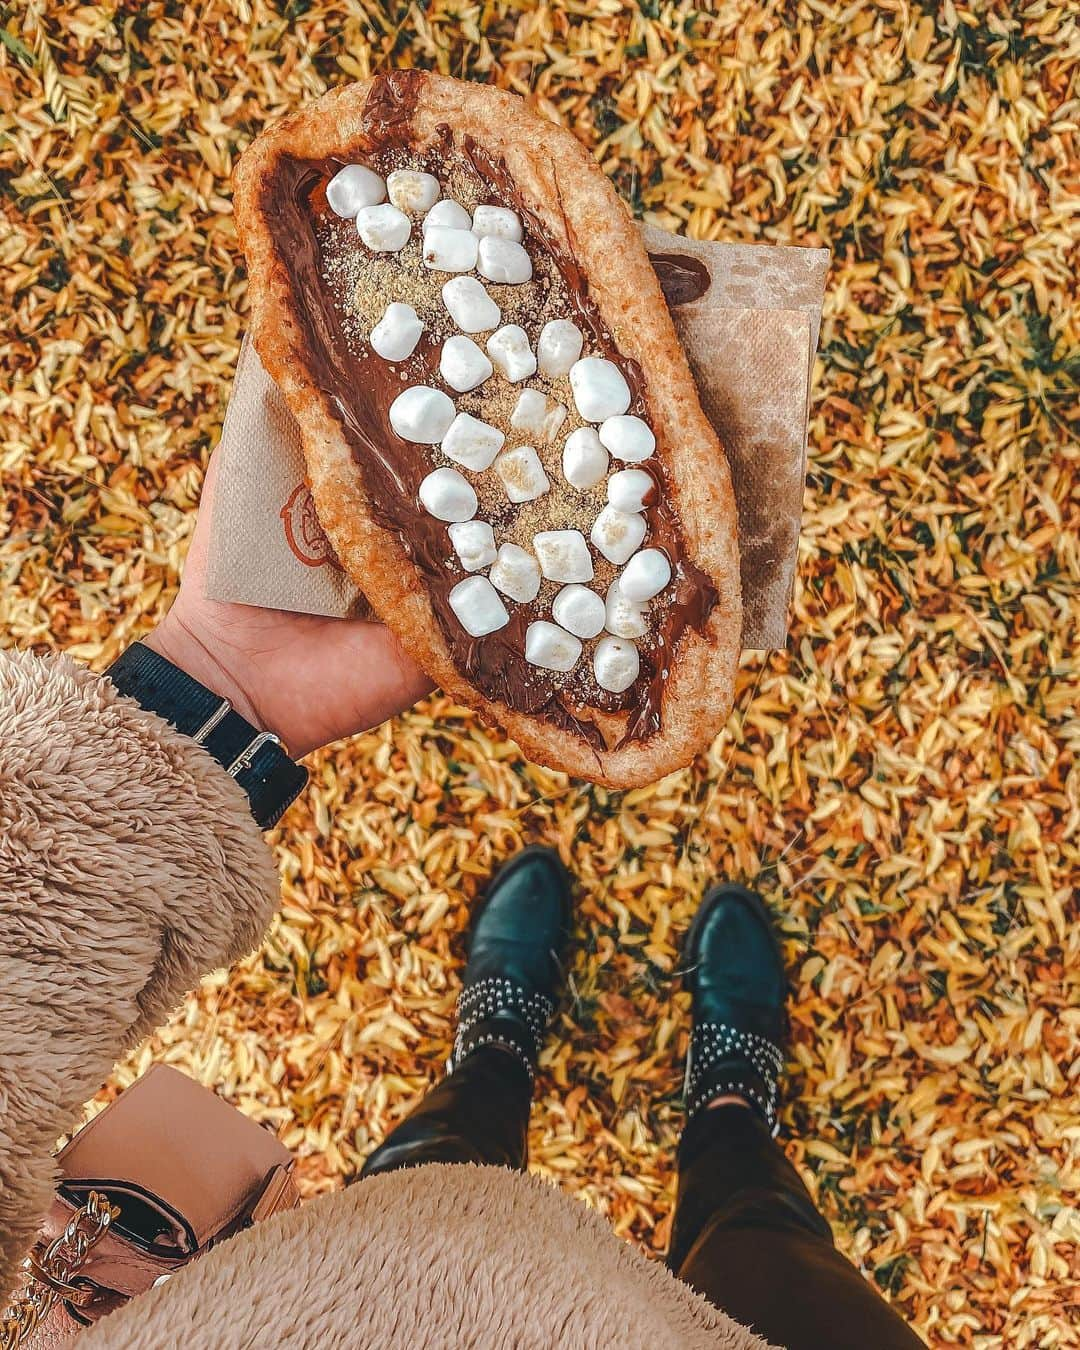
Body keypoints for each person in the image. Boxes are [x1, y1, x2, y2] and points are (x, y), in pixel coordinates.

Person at [0, 454, 922, 1348]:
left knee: (443, 1156)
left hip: (382, 1283)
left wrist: (215, 697)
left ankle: (494, 1057)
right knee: (759, 1227)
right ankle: (728, 1110)